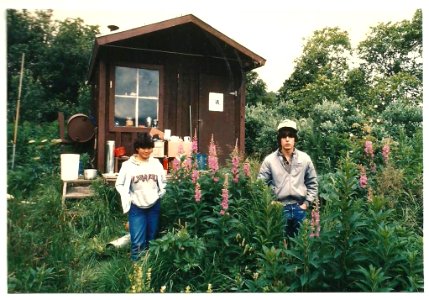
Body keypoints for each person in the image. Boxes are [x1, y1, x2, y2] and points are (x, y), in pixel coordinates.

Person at [258, 119, 318, 238]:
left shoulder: (305, 158)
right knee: (281, 245)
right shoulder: (269, 160)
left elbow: (313, 183)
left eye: (290, 136)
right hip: (279, 208)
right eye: (283, 136)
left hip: (299, 208)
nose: (287, 139)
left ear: (295, 138)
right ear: (279, 139)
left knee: (302, 245)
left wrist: (306, 203)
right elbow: (260, 184)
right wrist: (270, 202)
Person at [115, 133, 166, 261]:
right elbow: (119, 184)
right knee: (137, 242)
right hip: (136, 207)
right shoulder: (127, 165)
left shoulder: (156, 164)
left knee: (152, 239)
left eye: (149, 148)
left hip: (154, 206)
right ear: (137, 148)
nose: (147, 151)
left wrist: (160, 194)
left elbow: (163, 182)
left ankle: (148, 267)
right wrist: (128, 197)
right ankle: (136, 271)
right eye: (144, 148)